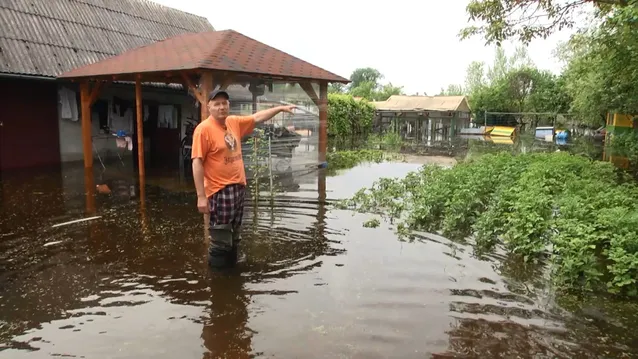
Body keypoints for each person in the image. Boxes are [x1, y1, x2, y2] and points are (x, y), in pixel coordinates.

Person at [191, 89, 295, 268]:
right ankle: (218, 280)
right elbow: (197, 162)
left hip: (238, 188)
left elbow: (257, 117)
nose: (222, 107)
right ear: (209, 107)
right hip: (219, 190)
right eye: (217, 104)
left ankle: (232, 273)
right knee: (221, 238)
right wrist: (201, 196)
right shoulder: (203, 130)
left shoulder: (234, 122)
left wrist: (279, 108)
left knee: (235, 234)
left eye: (225, 103)